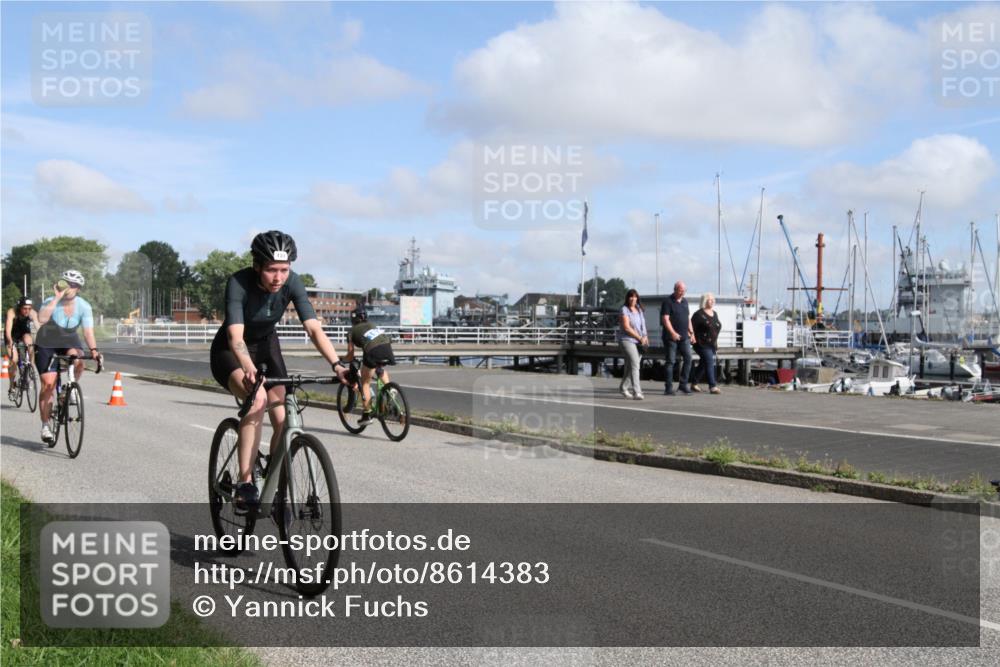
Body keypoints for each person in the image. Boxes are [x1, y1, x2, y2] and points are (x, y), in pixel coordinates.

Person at [209, 230, 349, 511]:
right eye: (272, 270)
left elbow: (313, 328)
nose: (278, 277)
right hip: (231, 351)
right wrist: (248, 369)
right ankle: (245, 483)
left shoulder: (292, 283)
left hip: (266, 346)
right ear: (257, 266)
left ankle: (273, 480)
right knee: (257, 399)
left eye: (284, 270)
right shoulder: (239, 283)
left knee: (285, 416)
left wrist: (337, 365)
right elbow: (236, 338)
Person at [35, 270, 102, 443]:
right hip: (46, 342)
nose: (69, 288)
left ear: (78, 288)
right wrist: (57, 297)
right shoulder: (51, 301)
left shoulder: (84, 306)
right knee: (48, 384)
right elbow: (41, 319)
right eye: (66, 283)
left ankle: (71, 386)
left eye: (73, 285)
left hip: (68, 340)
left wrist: (94, 350)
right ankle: (45, 426)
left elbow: (88, 332)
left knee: (78, 359)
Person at [344, 304, 396, 424]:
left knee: (365, 383)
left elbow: (350, 355)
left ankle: (367, 414)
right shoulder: (372, 325)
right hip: (387, 347)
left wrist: (341, 360)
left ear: (353, 319)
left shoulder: (351, 331)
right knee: (379, 367)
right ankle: (390, 388)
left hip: (372, 350)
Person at [660, 281, 694, 395]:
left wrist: (691, 332)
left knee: (688, 358)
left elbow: (688, 318)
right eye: (681, 290)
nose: (683, 292)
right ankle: (668, 388)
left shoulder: (685, 302)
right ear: (675, 289)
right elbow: (665, 319)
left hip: (684, 337)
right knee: (670, 361)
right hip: (671, 337)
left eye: (684, 290)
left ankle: (683, 385)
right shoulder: (668, 301)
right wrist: (673, 333)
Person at [617, 289, 648, 399]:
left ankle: (623, 388)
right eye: (631, 296)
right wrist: (640, 337)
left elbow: (643, 325)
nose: (633, 298)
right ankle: (637, 392)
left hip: (639, 341)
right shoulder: (624, 310)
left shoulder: (639, 310)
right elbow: (626, 328)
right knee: (635, 364)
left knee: (631, 367)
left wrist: (645, 337)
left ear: (637, 298)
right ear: (627, 298)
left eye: (635, 296)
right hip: (626, 340)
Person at [4, 296, 39, 394]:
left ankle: (31, 365)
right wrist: (10, 342)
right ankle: (12, 386)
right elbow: (7, 329)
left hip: (24, 334)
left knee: (30, 341)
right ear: (19, 307)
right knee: (14, 360)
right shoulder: (12, 312)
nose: (27, 311)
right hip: (12, 336)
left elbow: (39, 327)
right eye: (24, 308)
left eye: (29, 308)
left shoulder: (32, 313)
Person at [690, 292, 723, 394]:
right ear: (705, 301)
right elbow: (690, 327)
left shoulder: (715, 313)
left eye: (713, 299)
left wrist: (716, 343)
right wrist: (692, 336)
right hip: (701, 343)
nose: (712, 301)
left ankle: (694, 383)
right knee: (709, 361)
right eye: (710, 299)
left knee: (704, 363)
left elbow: (715, 329)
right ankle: (712, 386)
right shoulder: (698, 314)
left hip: (711, 344)